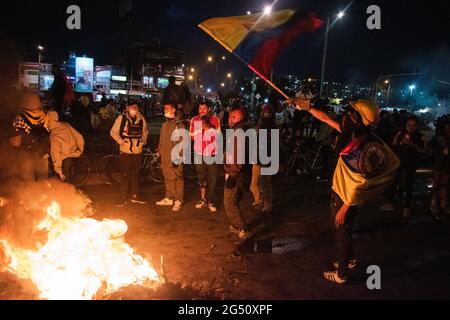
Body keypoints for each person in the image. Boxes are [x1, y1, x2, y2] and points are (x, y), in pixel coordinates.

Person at [290, 95, 398, 284]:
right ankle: (350, 260)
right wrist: (307, 107)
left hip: (346, 198)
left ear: (358, 118)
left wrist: (344, 207)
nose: (346, 114)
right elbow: (324, 118)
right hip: (341, 192)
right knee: (342, 229)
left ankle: (341, 274)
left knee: (341, 231)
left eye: (351, 112)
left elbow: (360, 182)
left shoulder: (363, 147)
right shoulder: (352, 134)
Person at [381, 116, 425, 218]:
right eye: (409, 125)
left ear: (417, 125)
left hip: (412, 162)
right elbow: (393, 144)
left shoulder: (420, 136)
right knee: (394, 181)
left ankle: (407, 207)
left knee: (409, 183)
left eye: (413, 125)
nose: (411, 127)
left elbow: (423, 150)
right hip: (399, 161)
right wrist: (400, 141)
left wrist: (412, 144)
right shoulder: (401, 132)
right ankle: (390, 203)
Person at [110, 103, 149, 207]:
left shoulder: (141, 119)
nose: (134, 109)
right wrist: (121, 141)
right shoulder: (121, 118)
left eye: (136, 107)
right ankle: (122, 197)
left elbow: (145, 132)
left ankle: (135, 195)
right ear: (127, 108)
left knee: (136, 174)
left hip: (137, 152)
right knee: (124, 175)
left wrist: (143, 142)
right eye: (132, 107)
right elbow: (113, 132)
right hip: (125, 152)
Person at [224, 107, 253, 241]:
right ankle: (237, 225)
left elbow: (239, 156)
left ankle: (243, 229)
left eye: (233, 117)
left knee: (229, 202)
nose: (229, 119)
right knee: (232, 200)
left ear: (239, 118)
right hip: (242, 173)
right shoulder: (241, 130)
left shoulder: (239, 132)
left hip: (238, 175)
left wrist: (233, 174)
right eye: (230, 116)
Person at [10, 92, 50, 182]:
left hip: (26, 154)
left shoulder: (19, 118)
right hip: (43, 153)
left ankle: (31, 196)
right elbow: (49, 134)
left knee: (28, 182)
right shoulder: (45, 116)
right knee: (43, 181)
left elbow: (15, 142)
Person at [190, 102, 221, 213]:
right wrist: (200, 129)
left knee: (213, 179)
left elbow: (218, 135)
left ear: (208, 109)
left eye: (204, 108)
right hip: (199, 154)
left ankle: (211, 201)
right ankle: (203, 199)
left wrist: (209, 128)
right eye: (200, 108)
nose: (202, 110)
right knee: (201, 178)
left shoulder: (215, 119)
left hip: (212, 154)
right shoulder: (194, 120)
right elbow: (192, 136)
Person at [156, 102, 186, 212]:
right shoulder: (165, 125)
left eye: (167, 108)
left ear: (173, 110)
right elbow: (162, 140)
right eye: (164, 109)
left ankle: (178, 200)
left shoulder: (179, 125)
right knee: (167, 177)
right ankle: (169, 197)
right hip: (165, 157)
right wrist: (159, 150)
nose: (165, 111)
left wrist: (178, 158)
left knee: (177, 178)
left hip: (175, 158)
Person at [250, 104, 277, 214]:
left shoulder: (273, 127)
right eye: (265, 112)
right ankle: (258, 200)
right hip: (257, 158)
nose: (266, 114)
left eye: (268, 112)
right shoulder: (260, 125)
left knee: (265, 184)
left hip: (267, 158)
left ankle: (268, 204)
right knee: (253, 183)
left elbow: (273, 144)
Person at [48, 111, 85, 183]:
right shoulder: (66, 124)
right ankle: (74, 191)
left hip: (64, 160)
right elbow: (79, 136)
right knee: (72, 179)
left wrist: (58, 170)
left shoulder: (54, 134)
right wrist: (80, 149)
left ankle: (70, 192)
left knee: (66, 184)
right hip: (74, 155)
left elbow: (55, 154)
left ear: (50, 121)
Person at [430, 122, 450, 214]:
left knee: (444, 184)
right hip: (439, 163)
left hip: (447, 165)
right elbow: (432, 145)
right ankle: (433, 204)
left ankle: (443, 204)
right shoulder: (439, 137)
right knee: (437, 183)